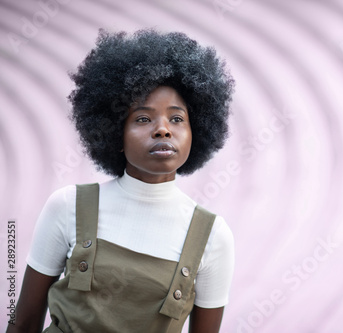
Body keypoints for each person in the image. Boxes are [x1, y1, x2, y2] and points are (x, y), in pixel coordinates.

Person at [6, 29, 235, 333]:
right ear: (116, 133)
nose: (163, 130)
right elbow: (23, 322)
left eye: (177, 119)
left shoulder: (213, 236)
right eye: (143, 118)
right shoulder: (67, 207)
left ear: (197, 132)